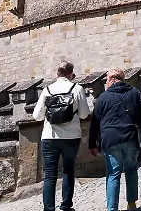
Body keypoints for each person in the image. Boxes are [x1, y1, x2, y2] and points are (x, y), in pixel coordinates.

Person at [33, 60, 91, 211]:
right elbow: (84, 114)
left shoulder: (47, 90)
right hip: (71, 137)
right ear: (71, 74)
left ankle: (49, 209)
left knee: (49, 175)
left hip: (50, 137)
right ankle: (65, 206)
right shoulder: (77, 89)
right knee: (68, 171)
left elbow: (37, 116)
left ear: (57, 73)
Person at [89, 68, 141, 211]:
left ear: (112, 80)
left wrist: (92, 144)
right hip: (130, 137)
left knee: (113, 174)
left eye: (107, 80)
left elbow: (95, 122)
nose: (106, 83)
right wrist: (140, 130)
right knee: (131, 170)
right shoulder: (135, 93)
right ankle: (131, 203)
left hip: (110, 140)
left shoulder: (103, 97)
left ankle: (112, 208)